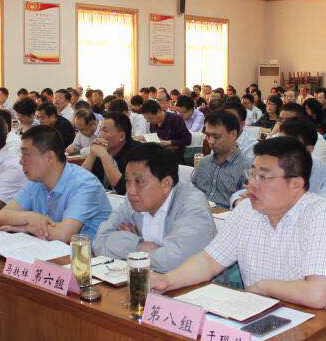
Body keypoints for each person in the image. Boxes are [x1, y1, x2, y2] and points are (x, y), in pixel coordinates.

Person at [151, 137, 326, 341]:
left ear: (296, 184)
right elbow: (209, 260)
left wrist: (263, 287)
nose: (251, 184)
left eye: (263, 177)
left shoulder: (319, 214)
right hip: (261, 324)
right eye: (252, 174)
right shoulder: (247, 211)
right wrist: (167, 280)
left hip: (325, 335)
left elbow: (317, 294)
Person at [94, 143, 215, 272]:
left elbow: (170, 262)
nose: (130, 190)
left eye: (139, 181)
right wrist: (139, 245)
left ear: (166, 183)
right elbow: (99, 243)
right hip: (145, 279)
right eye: (127, 180)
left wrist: (127, 247)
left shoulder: (193, 207)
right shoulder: (134, 201)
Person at [0, 126, 112, 241]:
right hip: (50, 249)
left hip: (89, 252)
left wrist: (27, 228)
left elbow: (63, 235)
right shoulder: (35, 181)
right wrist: (30, 217)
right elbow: (0, 217)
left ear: (49, 157)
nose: (21, 161)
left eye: (26, 155)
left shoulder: (85, 184)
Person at [275, 117, 326, 204]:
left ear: (309, 149)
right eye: (280, 143)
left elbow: (323, 208)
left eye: (289, 146)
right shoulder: (270, 167)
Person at [191, 111, 250, 208]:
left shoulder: (247, 167)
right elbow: (192, 191)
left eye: (216, 137)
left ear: (233, 134)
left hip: (227, 215)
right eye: (208, 135)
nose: (211, 141)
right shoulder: (204, 162)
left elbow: (245, 206)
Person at [82, 112, 139, 195]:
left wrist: (104, 156)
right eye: (100, 130)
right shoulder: (102, 149)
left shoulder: (137, 154)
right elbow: (80, 180)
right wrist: (92, 155)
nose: (100, 135)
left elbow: (124, 189)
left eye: (105, 131)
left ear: (121, 136)